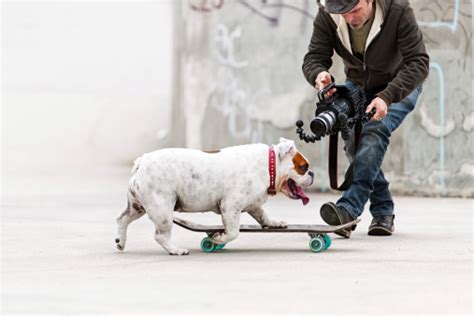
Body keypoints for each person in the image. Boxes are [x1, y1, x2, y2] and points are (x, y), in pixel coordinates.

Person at [302, 0, 429, 237]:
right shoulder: (327, 14)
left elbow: (419, 63)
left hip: (400, 85)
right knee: (353, 143)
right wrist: (318, 74)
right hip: (358, 85)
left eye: (354, 10)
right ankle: (383, 211)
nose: (349, 18)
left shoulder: (398, 11)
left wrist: (386, 97)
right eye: (342, 13)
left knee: (374, 128)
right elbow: (315, 57)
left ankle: (348, 209)